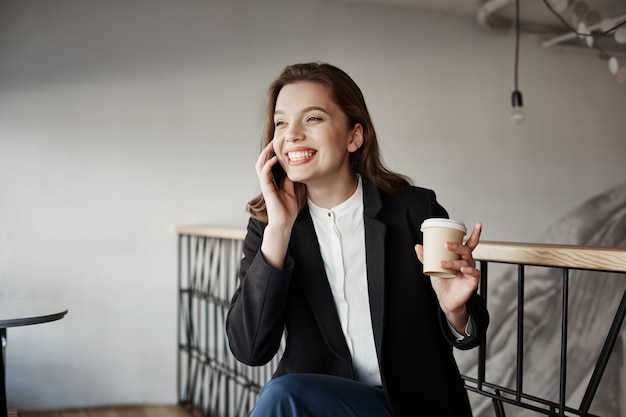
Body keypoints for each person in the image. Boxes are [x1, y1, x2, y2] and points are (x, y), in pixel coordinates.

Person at [225, 62, 489, 417]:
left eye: (313, 118)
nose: (292, 134)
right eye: (282, 122)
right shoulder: (268, 226)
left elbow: (470, 332)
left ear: (354, 136)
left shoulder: (413, 209)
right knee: (284, 395)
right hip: (320, 406)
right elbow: (249, 348)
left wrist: (455, 310)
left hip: (413, 407)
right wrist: (279, 229)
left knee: (283, 396)